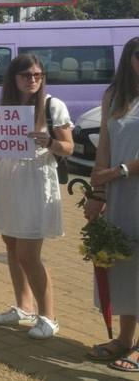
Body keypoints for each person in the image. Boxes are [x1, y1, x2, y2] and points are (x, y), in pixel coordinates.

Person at [0, 54, 72, 340]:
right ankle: (24, 306)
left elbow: (69, 147)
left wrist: (50, 141)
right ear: (14, 78)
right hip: (8, 179)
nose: (32, 80)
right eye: (26, 75)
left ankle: (48, 316)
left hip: (35, 182)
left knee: (28, 253)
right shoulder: (7, 107)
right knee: (11, 245)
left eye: (37, 75)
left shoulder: (52, 105)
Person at [84, 37, 139, 368]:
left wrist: (118, 171)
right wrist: (98, 193)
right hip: (119, 195)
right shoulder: (114, 95)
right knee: (124, 264)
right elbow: (104, 144)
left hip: (129, 183)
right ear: (129, 58)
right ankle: (124, 339)